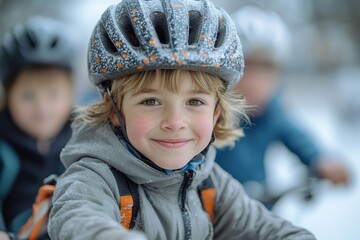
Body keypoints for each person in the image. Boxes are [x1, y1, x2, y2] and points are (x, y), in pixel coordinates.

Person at [48, 0, 316, 239]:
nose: (175, 122)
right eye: (150, 101)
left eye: (195, 102)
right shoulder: (94, 177)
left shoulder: (209, 182)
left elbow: (264, 228)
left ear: (216, 113)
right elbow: (78, 217)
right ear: (114, 110)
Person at [215, 6, 349, 206]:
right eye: (246, 67)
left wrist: (322, 160)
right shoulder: (211, 113)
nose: (255, 81)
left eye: (267, 69)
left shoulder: (271, 113)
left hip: (257, 209)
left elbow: (297, 137)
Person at [0, 16, 77, 239]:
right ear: (8, 96)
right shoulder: (4, 143)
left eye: (53, 95)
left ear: (70, 94)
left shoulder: (84, 140)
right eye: (27, 96)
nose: (42, 108)